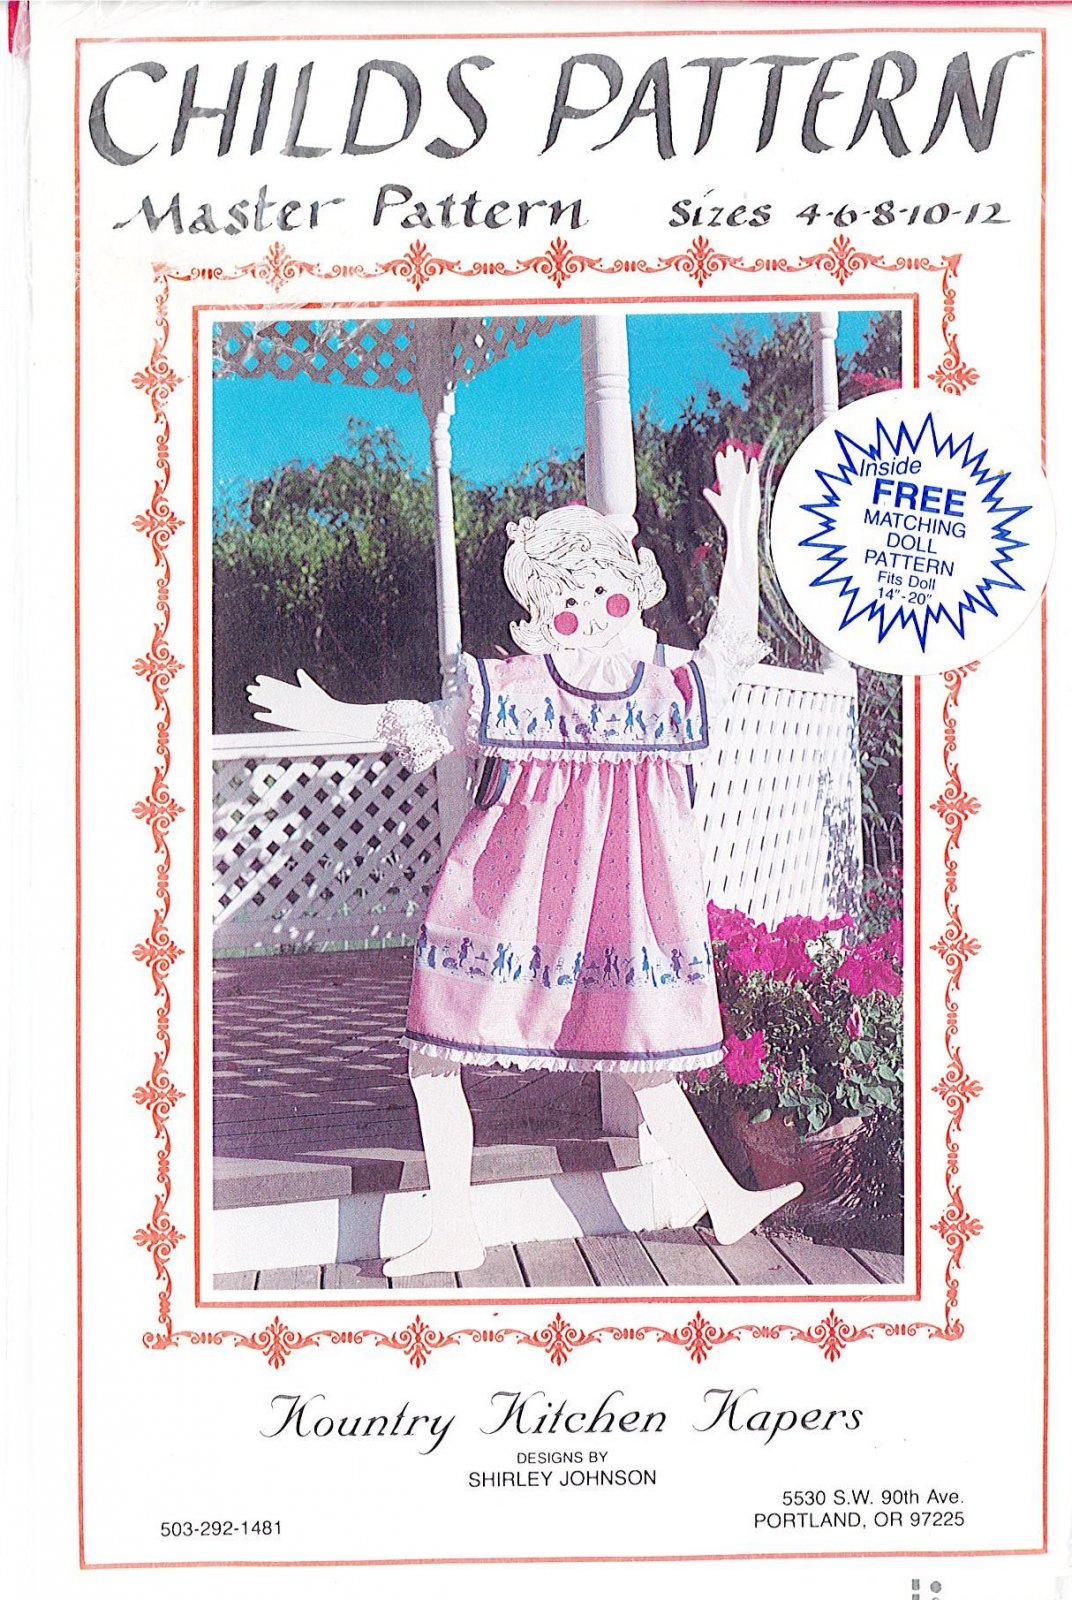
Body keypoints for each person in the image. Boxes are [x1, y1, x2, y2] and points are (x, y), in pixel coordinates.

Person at [248, 444, 802, 1277]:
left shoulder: (647, 690)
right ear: (542, 615)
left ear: (635, 592)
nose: (591, 612)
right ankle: (470, 1221)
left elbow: (731, 643)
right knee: (450, 1052)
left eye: (605, 594)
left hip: (557, 913)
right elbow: (428, 722)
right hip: (537, 911)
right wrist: (334, 716)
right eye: (567, 603)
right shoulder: (539, 688)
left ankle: (712, 1200)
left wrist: (745, 530)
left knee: (496, 1055)